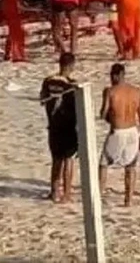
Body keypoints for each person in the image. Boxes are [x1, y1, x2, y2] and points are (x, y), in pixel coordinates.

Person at [99, 63, 140, 206]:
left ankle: (99, 194)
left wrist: (109, 117)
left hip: (117, 130)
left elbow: (103, 113)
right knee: (130, 166)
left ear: (118, 75)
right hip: (132, 131)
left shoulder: (110, 91)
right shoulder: (137, 91)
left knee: (103, 163)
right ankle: (128, 200)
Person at [39, 51, 78, 203]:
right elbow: (76, 107)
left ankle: (54, 192)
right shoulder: (72, 85)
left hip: (53, 125)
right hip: (68, 126)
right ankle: (66, 194)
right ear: (71, 65)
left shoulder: (47, 81)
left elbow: (42, 100)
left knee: (56, 160)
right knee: (68, 160)